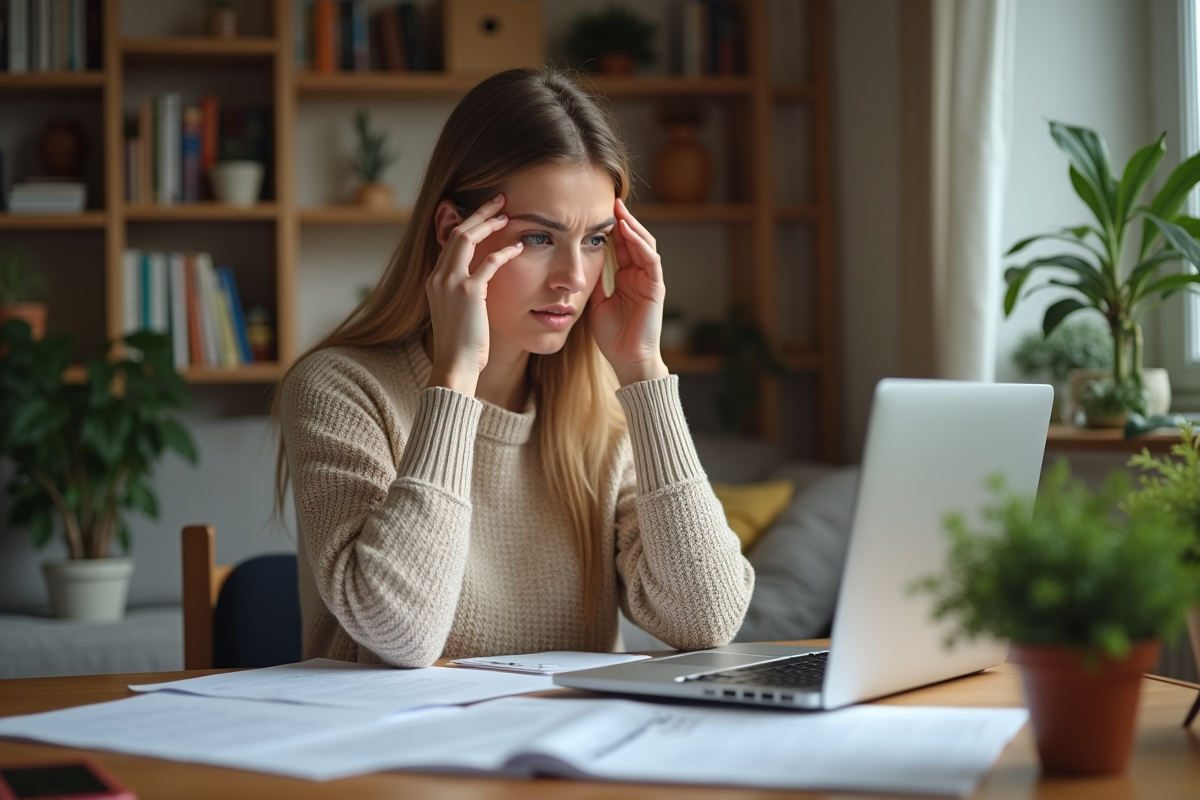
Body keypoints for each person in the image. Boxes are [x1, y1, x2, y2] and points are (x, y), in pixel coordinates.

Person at [276, 68, 753, 668]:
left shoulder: (603, 405)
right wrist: (454, 379)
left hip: (569, 753)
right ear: (455, 232)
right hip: (398, 756)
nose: (574, 280)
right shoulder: (341, 389)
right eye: (538, 239)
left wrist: (644, 372)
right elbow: (400, 634)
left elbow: (707, 618)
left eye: (595, 240)